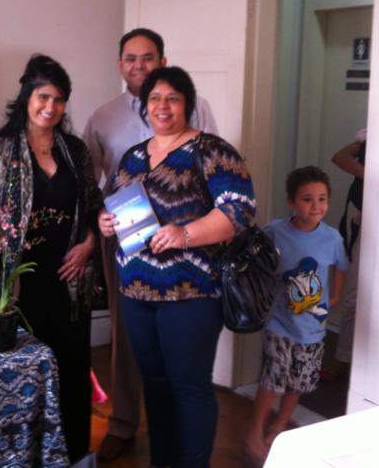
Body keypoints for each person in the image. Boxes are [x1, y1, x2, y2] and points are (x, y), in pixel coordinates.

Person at [98, 66, 255, 468]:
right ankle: (163, 461)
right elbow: (114, 203)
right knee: (155, 383)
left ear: (188, 104)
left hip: (190, 293)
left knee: (189, 386)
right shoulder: (134, 157)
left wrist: (185, 234)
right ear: (144, 105)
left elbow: (239, 211)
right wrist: (105, 222)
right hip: (136, 292)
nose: (162, 106)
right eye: (154, 98)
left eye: (172, 98)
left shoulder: (212, 150)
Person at [0, 54, 103, 463]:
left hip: (71, 284)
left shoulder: (75, 150)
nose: (50, 107)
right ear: (27, 97)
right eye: (43, 97)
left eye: (59, 99)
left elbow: (94, 206)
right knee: (25, 380)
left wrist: (89, 244)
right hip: (19, 289)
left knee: (72, 372)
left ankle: (75, 456)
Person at [83, 28, 218, 461]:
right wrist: (100, 220)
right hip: (127, 246)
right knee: (128, 337)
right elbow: (91, 182)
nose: (139, 65)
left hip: (189, 252)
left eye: (147, 57)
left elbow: (216, 172)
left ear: (162, 60)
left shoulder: (197, 107)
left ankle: (184, 435)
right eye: (131, 58)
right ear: (120, 65)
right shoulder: (103, 116)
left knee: (183, 361)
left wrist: (192, 230)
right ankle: (124, 422)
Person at [245, 166, 348, 463]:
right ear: (291, 201)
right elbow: (254, 260)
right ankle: (254, 431)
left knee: (298, 381)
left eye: (322, 199)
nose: (316, 206)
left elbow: (341, 266)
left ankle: (279, 425)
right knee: (273, 378)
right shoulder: (275, 232)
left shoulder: (332, 238)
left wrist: (335, 296)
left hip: (313, 328)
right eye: (307, 199)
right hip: (279, 323)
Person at [325, 128, 367, 378]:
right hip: (362, 223)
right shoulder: (369, 140)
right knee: (353, 297)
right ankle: (343, 360)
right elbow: (339, 157)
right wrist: (370, 175)